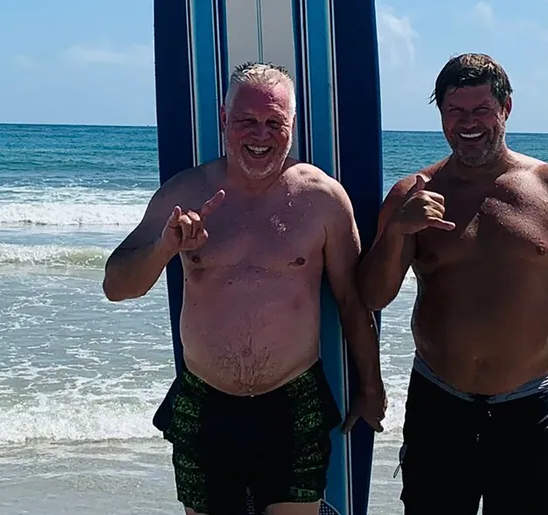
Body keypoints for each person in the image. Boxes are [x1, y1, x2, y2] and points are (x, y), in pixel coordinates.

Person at [102, 61, 386, 515]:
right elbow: (116, 286)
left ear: (292, 124)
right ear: (223, 119)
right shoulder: (186, 192)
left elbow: (352, 301)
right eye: (247, 121)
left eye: (275, 122)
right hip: (204, 398)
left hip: (294, 398)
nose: (261, 134)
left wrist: (371, 386)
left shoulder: (323, 199)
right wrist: (164, 247)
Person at [356, 53, 548, 514]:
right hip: (439, 400)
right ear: (440, 114)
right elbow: (374, 297)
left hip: (527, 403)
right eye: (454, 111)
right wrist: (399, 228)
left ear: (506, 109)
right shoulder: (413, 193)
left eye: (481, 110)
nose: (468, 123)